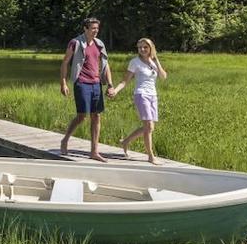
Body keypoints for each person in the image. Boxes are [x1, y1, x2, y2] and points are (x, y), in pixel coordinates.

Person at [59, 17, 113, 162]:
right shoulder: (75, 43)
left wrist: (110, 84)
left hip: (96, 83)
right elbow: (65, 63)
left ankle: (94, 151)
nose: (95, 31)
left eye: (97, 28)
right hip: (81, 83)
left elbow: (106, 65)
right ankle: (65, 140)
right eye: (93, 28)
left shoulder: (99, 44)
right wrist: (63, 83)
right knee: (82, 116)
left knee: (96, 116)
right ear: (85, 28)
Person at [108, 38, 168, 164]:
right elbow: (125, 81)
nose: (142, 49)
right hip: (141, 95)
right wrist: (116, 90)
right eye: (140, 47)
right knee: (148, 126)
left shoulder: (153, 61)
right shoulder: (134, 62)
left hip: (153, 96)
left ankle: (125, 141)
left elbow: (163, 77)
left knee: (150, 128)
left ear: (151, 48)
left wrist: (156, 60)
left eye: (145, 47)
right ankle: (151, 157)